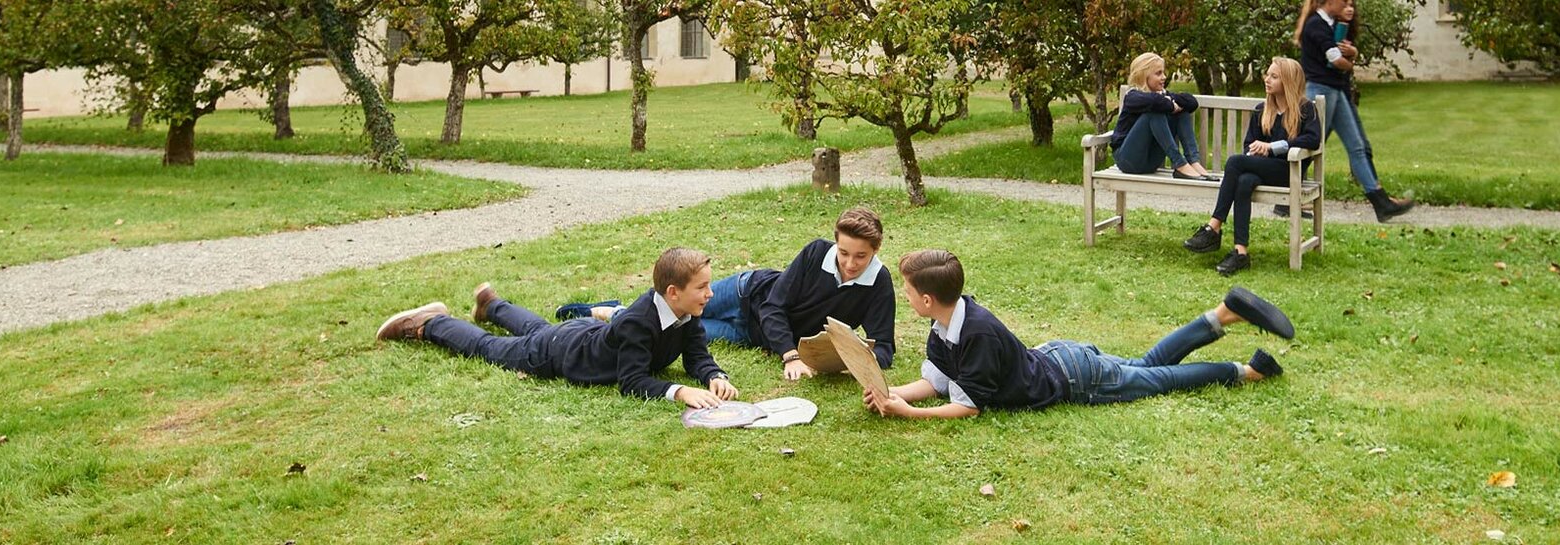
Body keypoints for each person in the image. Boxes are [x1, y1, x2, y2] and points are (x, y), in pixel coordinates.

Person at [862, 250, 1294, 419]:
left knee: (1154, 379)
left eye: (909, 291)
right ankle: (1224, 313)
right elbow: (938, 380)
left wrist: (909, 413)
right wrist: (891, 390)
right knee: (1146, 366)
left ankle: (1243, 371)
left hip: (1073, 378)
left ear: (927, 299)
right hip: (1061, 358)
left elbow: (969, 406)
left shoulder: (977, 333)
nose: (906, 296)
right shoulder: (945, 323)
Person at [375, 248, 741, 409]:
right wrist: (679, 393)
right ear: (673, 292)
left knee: (538, 329)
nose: (710, 293)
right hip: (561, 352)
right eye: (702, 287)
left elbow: (697, 355)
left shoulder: (688, 312)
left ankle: (491, 305)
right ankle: (432, 323)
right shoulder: (637, 324)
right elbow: (631, 382)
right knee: (492, 348)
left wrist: (713, 375)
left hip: (579, 332)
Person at [560, 207, 898, 380]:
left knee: (673, 331)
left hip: (749, 335)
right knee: (673, 305)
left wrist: (848, 363)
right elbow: (774, 307)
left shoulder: (878, 282)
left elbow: (883, 346)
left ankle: (617, 316)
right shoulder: (815, 253)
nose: (850, 263)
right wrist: (791, 355)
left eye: (861, 256)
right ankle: (610, 311)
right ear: (835, 242)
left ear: (876, 250)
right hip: (747, 293)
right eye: (843, 252)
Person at [1182, 58, 1322, 276]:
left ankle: (1214, 227)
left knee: (1235, 162)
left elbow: (1313, 140)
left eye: (1274, 76)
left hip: (1289, 172)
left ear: (1289, 81)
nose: (1267, 79)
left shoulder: (1305, 109)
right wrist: (1256, 150)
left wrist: (1272, 147)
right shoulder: (1262, 110)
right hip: (1263, 169)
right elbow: (1249, 143)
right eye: (1267, 74)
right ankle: (1241, 252)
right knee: (1244, 181)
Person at [1295, 0, 1415, 222]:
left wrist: (1352, 54)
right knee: (1311, 145)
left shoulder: (1331, 24)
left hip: (1334, 91)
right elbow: (1336, 60)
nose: (1347, 5)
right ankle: (1285, 196)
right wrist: (1352, 60)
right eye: (1344, 1)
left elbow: (1339, 57)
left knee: (1356, 145)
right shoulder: (1316, 25)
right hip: (1321, 92)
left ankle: (1381, 203)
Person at [1111, 52, 1214, 180]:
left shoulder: (1162, 96)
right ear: (1143, 75)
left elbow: (1191, 102)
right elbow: (1155, 101)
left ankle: (1193, 161)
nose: (1164, 77)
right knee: (1153, 113)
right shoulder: (1133, 97)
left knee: (1182, 111)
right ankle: (1179, 164)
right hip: (1128, 160)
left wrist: (1174, 104)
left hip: (1151, 162)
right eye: (1158, 73)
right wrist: (1171, 105)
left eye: (1163, 72)